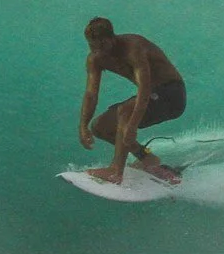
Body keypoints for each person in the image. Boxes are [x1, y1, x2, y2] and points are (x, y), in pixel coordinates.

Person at [78, 16, 185, 184]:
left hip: (172, 95)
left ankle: (115, 171)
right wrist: (83, 125)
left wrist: (132, 126)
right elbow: (91, 94)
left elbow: (145, 89)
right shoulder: (95, 58)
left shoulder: (133, 48)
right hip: (152, 96)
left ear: (112, 38)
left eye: (102, 45)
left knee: (125, 112)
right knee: (99, 127)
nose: (98, 50)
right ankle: (147, 158)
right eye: (92, 46)